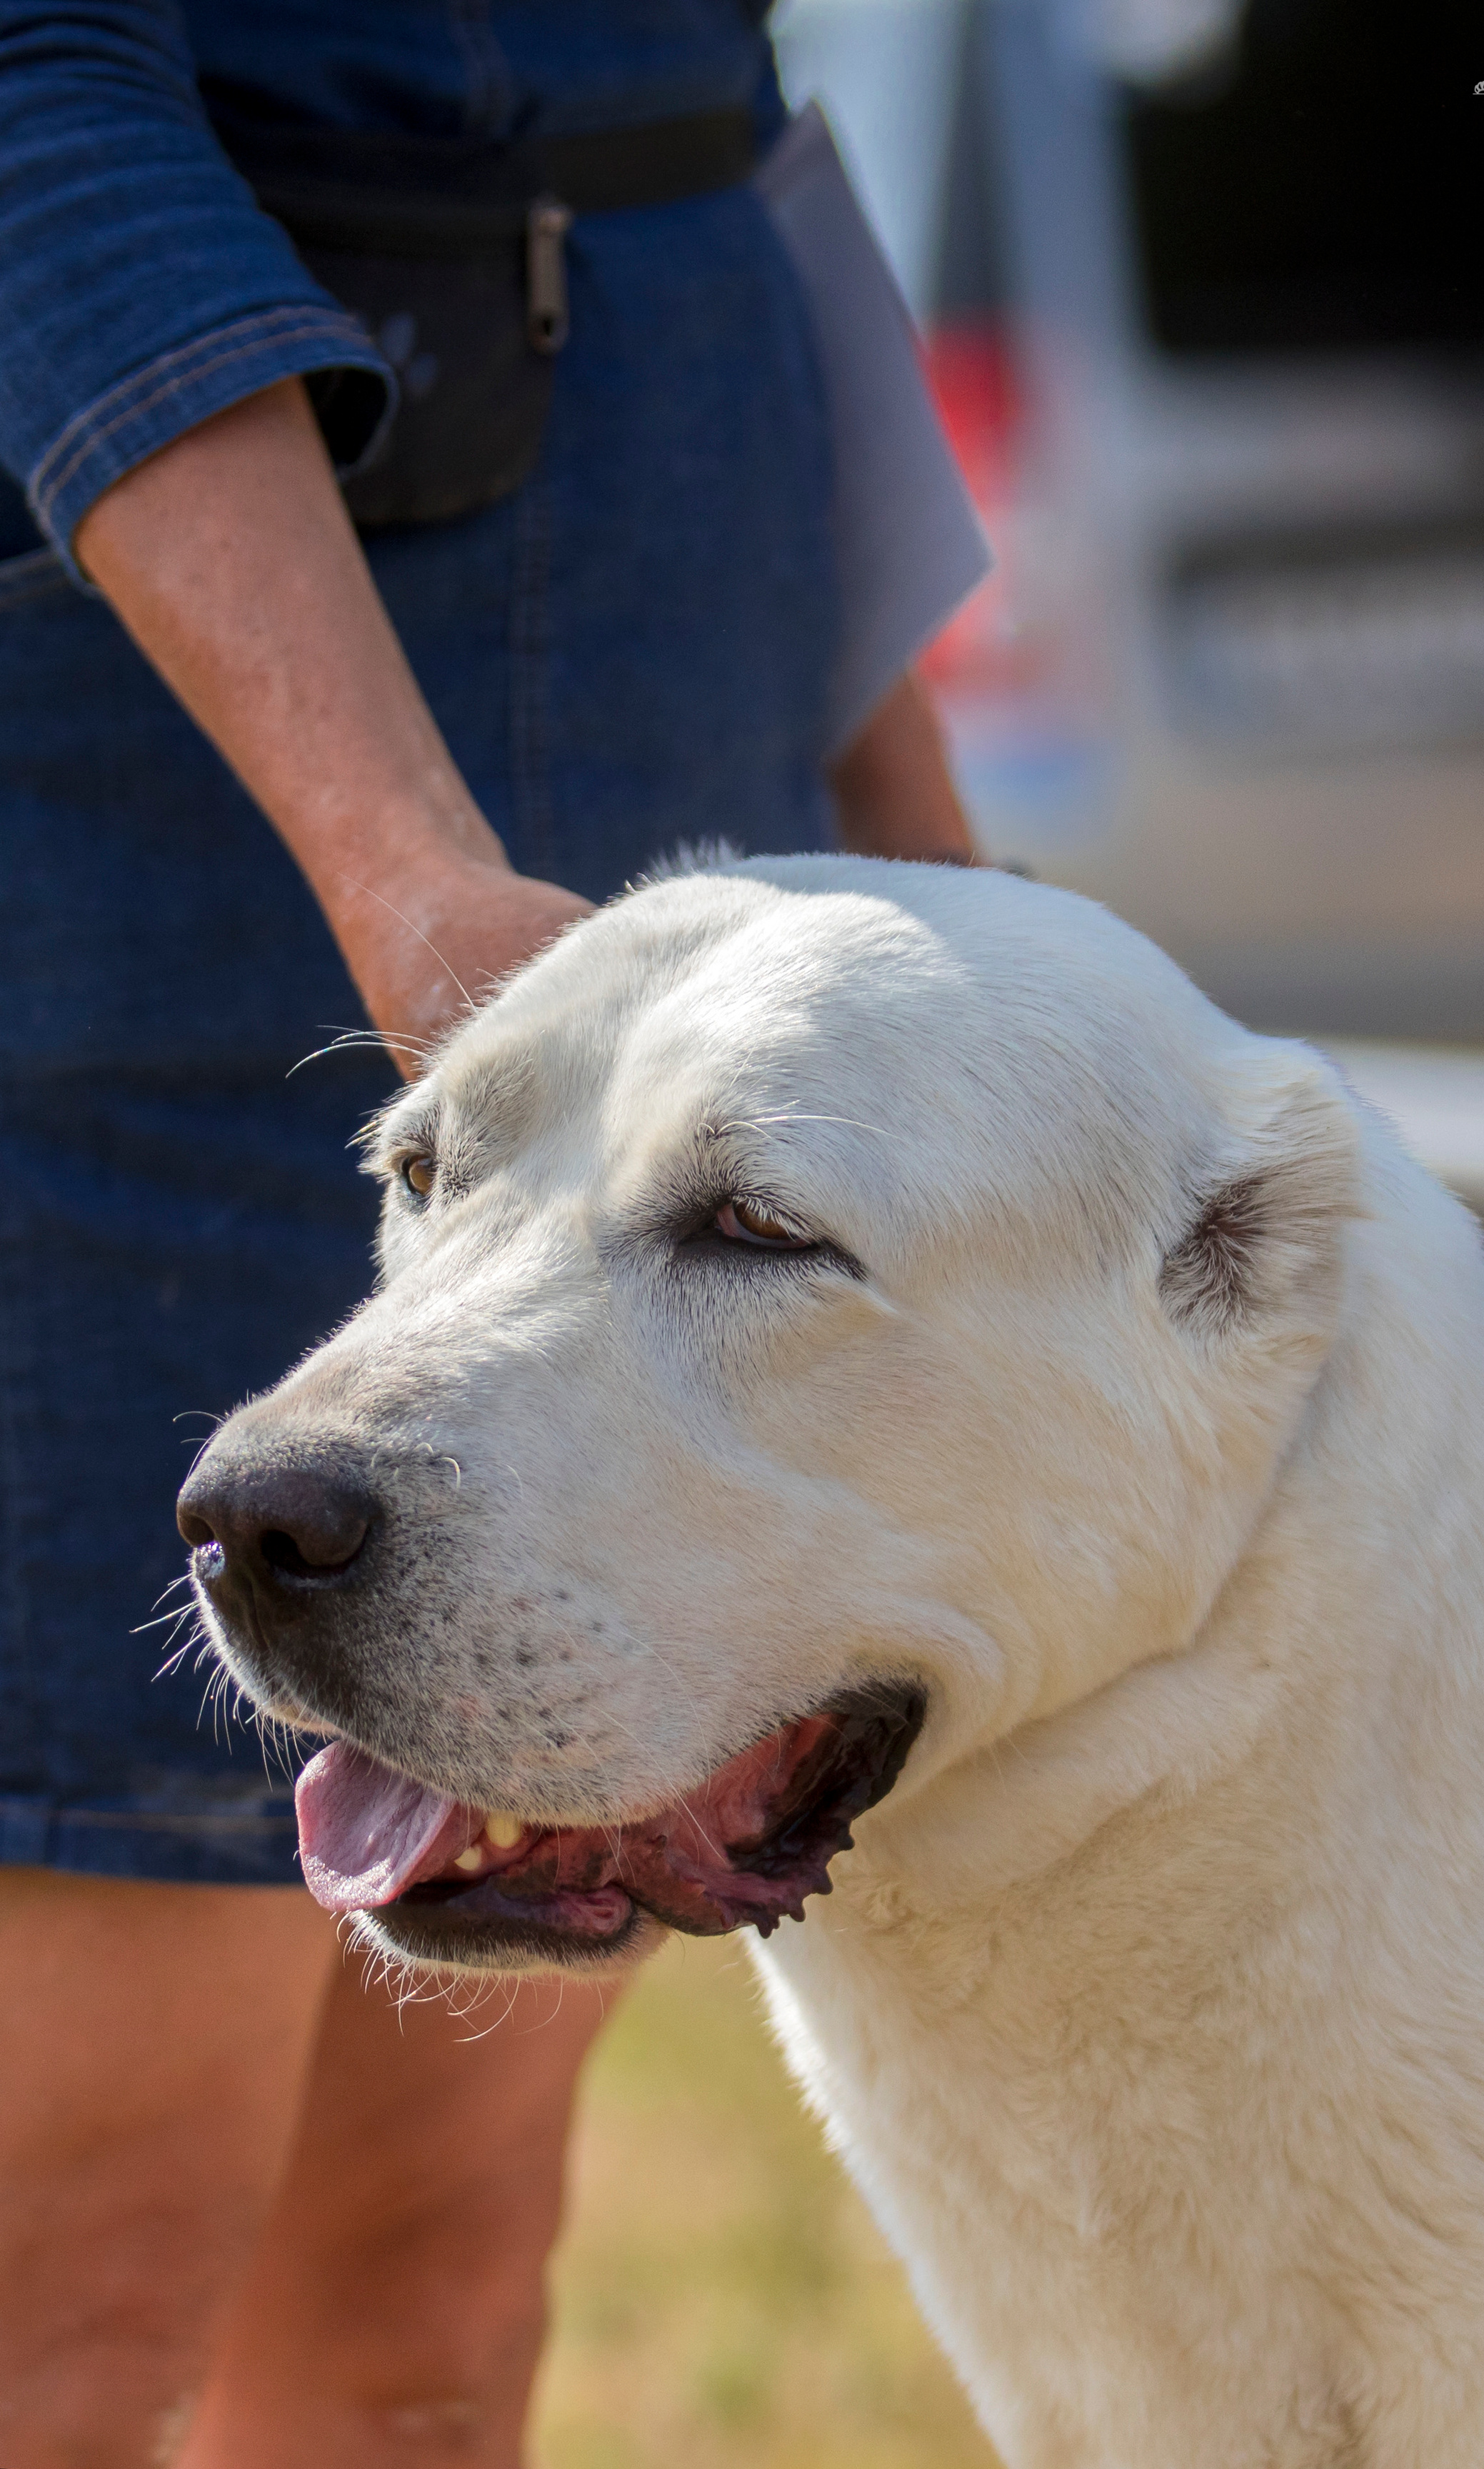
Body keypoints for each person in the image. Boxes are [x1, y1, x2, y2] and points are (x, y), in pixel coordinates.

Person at [0, 6, 980, 2462]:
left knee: (434, 2297)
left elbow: (741, 108)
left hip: (674, 720)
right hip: (151, 829)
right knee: (71, 2290)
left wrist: (932, 846)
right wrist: (400, 868)